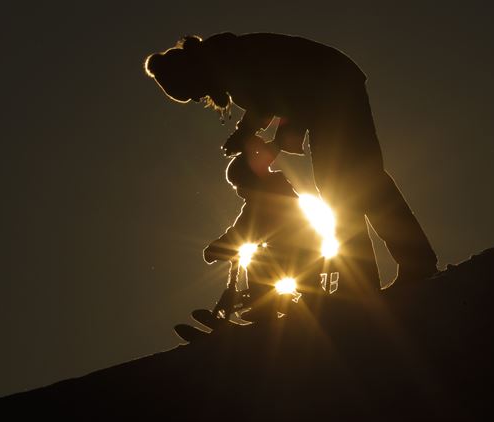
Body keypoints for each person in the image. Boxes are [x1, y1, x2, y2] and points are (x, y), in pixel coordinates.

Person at [145, 32, 437, 291]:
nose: (198, 99)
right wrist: (249, 135)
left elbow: (279, 98)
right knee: (359, 182)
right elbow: (271, 102)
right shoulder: (226, 59)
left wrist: (261, 138)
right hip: (332, 88)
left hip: (332, 91)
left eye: (190, 92)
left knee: (347, 186)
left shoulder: (228, 62)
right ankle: (402, 265)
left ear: (190, 75)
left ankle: (364, 282)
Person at [204, 137, 322, 320]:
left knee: (260, 262)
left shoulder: (261, 202)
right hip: (309, 250)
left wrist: (216, 249)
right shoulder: (276, 188)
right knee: (264, 256)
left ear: (250, 180)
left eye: (239, 185)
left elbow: (241, 231)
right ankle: (298, 301)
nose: (238, 191)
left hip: (299, 254)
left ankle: (265, 310)